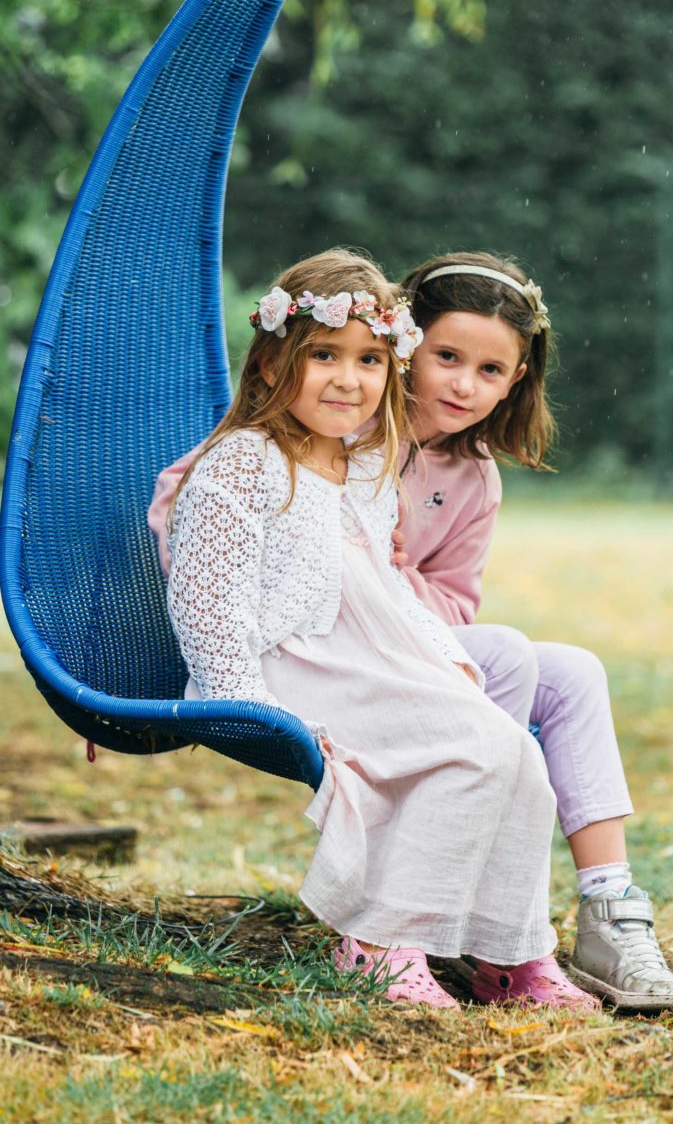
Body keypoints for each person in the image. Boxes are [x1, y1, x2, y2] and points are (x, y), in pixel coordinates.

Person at [162, 248, 597, 1012]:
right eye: (323, 355)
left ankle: (512, 954)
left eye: (368, 360)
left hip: (364, 662)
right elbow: (208, 606)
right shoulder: (243, 465)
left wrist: (445, 668)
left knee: (511, 750)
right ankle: (380, 941)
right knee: (468, 749)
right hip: (286, 673)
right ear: (269, 364)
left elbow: (391, 598)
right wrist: (249, 703)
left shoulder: (364, 467)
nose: (347, 378)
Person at [392, 251, 673, 1011]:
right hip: (355, 656)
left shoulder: (474, 475)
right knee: (510, 654)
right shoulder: (355, 425)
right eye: (446, 357)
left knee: (574, 670)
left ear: (517, 379)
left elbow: (454, 605)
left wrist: (404, 577)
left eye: (491, 370)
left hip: (417, 641)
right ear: (405, 344)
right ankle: (458, 908)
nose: (464, 384)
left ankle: (609, 908)